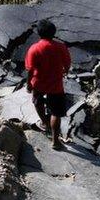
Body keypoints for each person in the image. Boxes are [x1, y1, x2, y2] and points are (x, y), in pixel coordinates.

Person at [25, 19, 71, 150]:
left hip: (39, 82)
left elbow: (30, 70)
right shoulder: (61, 47)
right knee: (56, 112)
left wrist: (29, 84)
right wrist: (64, 72)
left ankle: (45, 123)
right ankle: (55, 141)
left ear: (39, 33)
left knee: (37, 102)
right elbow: (67, 65)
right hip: (56, 84)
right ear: (54, 32)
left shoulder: (34, 49)